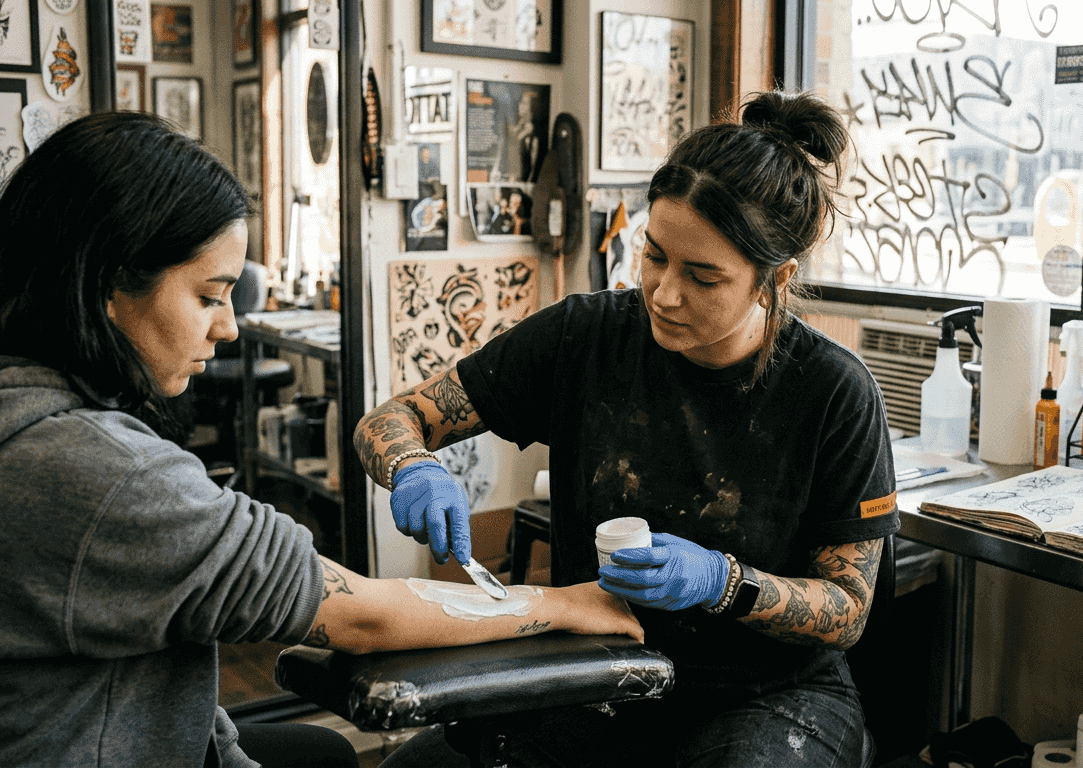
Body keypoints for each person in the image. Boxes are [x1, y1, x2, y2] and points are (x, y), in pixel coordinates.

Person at [0, 111, 642, 768]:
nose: (228, 328)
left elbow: (152, 672)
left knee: (319, 753)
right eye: (208, 296)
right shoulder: (103, 474)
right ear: (110, 282)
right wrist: (566, 603)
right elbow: (361, 617)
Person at [354, 90, 898, 766]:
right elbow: (394, 418)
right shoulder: (587, 335)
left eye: (703, 277)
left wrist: (724, 582)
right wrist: (412, 465)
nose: (665, 293)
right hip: (604, 668)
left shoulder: (833, 392)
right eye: (654, 256)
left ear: (772, 279)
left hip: (768, 694)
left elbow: (847, 608)